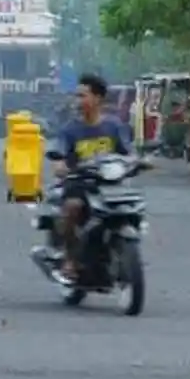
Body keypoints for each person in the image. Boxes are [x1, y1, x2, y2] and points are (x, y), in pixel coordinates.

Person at [53, 72, 131, 282]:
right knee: (72, 207)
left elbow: (127, 152)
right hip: (79, 183)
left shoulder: (114, 126)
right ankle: (70, 259)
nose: (78, 101)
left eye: (83, 96)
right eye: (77, 96)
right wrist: (60, 165)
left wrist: (140, 161)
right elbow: (59, 153)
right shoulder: (70, 129)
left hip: (109, 184)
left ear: (98, 98)